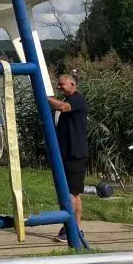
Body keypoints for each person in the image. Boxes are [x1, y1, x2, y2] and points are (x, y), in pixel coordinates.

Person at [46, 68, 89, 243]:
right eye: (59, 86)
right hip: (68, 154)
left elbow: (63, 107)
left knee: (71, 193)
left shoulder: (77, 100)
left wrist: (45, 98)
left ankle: (71, 227)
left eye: (62, 86)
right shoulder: (69, 99)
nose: (60, 88)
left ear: (73, 84)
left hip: (75, 154)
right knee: (73, 193)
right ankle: (75, 227)